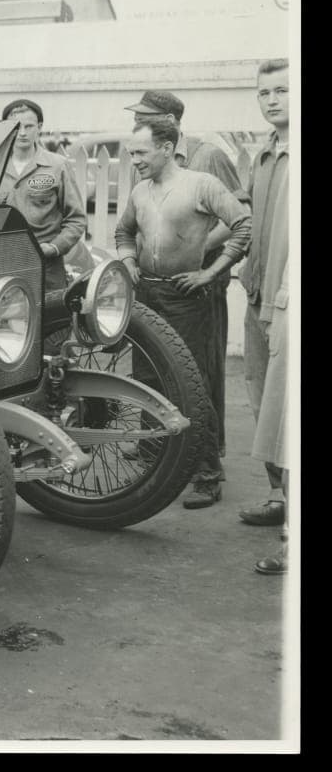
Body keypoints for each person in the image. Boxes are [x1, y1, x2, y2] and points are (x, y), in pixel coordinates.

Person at [114, 116, 251, 509]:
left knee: (192, 386)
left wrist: (209, 272)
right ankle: (154, 462)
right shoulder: (140, 191)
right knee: (145, 381)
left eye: (140, 152)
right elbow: (124, 232)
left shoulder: (200, 184)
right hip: (145, 295)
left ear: (167, 147)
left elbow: (243, 225)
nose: (134, 159)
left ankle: (207, 474)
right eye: (131, 152)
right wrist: (127, 260)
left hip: (184, 297)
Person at [237, 59, 292, 575]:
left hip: (289, 305)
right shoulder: (265, 153)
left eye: (282, 90)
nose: (272, 100)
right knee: (264, 407)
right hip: (258, 299)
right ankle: (281, 498)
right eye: (264, 92)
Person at [0, 98, 87, 291]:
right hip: (1, 265)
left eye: (29, 126)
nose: (22, 133)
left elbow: (76, 219)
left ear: (40, 127)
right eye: (16, 126)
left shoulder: (57, 166)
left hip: (46, 267)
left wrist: (54, 247)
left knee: (50, 317)